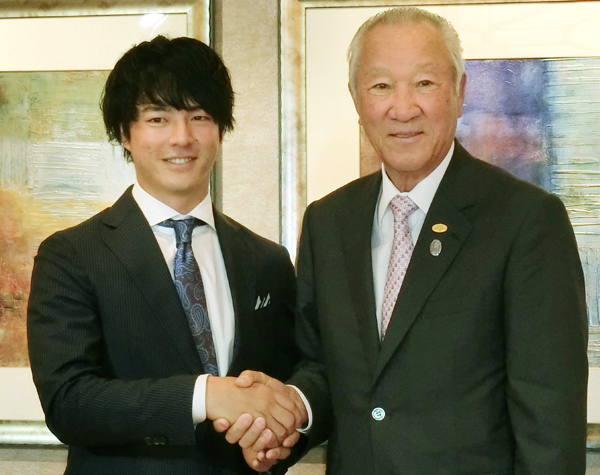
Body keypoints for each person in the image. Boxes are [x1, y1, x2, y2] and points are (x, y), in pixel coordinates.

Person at [221, 6, 589, 474]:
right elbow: (323, 369)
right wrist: (290, 412)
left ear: (459, 92)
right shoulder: (328, 222)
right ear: (356, 98)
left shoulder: (525, 220)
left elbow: (550, 422)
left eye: (424, 83)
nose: (402, 108)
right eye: (380, 86)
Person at [27, 35, 302, 475]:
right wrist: (204, 395)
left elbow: (284, 385)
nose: (182, 137)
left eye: (199, 117)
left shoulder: (267, 259)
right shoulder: (72, 255)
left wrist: (273, 440)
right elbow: (68, 401)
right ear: (125, 133)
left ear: (220, 129)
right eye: (158, 118)